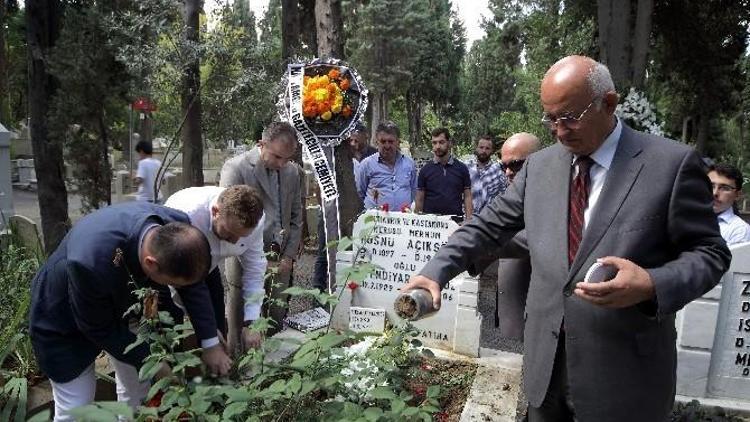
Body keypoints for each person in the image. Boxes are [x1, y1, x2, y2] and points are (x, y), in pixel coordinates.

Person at [402, 55, 730, 421]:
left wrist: (652, 283)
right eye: (550, 118)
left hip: (624, 381)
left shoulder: (671, 165)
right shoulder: (540, 167)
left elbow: (710, 254)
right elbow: (487, 225)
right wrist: (436, 270)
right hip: (545, 372)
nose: (558, 131)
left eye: (569, 117)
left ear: (609, 103)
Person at [28, 202, 225, 421]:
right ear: (151, 264)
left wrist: (209, 341)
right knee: (75, 405)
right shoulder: (89, 261)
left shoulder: (178, 230)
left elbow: (192, 283)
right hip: (65, 321)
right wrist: (153, 360)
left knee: (139, 389)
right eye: (170, 283)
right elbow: (98, 327)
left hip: (128, 309)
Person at [220, 122, 302, 336]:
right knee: (241, 326)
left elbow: (296, 218)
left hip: (281, 259)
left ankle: (273, 365)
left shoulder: (292, 173)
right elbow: (227, 221)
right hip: (244, 255)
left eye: (288, 158)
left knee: (275, 318)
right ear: (261, 144)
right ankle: (238, 366)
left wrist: (289, 256)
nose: (282, 163)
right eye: (277, 157)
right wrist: (258, 261)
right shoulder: (236, 168)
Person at [165, 185, 267, 354]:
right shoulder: (187, 215)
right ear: (215, 212)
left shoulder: (256, 221)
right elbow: (182, 284)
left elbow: (255, 270)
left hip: (208, 265)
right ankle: (174, 372)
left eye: (242, 236)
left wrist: (252, 322)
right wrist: (206, 332)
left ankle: (215, 375)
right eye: (229, 232)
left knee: (217, 322)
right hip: (174, 265)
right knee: (171, 325)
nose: (234, 242)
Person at [313, 123, 377, 292]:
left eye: (357, 141)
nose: (354, 144)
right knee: (324, 253)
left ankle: (343, 288)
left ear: (366, 138)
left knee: (348, 251)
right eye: (351, 141)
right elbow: (319, 189)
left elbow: (360, 190)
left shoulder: (361, 161)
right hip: (330, 214)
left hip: (351, 214)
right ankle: (318, 290)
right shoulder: (331, 159)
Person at [495, 132, 540, 340]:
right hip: (514, 310)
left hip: (540, 318)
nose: (508, 172)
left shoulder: (553, 199)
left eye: (515, 164)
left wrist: (476, 244)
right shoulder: (509, 197)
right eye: (503, 166)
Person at [356, 121, 417, 211]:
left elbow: (413, 190)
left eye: (391, 141)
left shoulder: (409, 164)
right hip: (375, 222)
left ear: (397, 142)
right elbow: (359, 194)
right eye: (383, 141)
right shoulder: (366, 164)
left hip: (403, 222)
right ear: (377, 142)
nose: (387, 146)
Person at [414, 128, 472, 221]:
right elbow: (420, 199)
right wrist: (417, 221)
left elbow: (467, 196)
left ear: (449, 143)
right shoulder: (425, 170)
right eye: (434, 143)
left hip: (455, 222)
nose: (437, 146)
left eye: (441, 142)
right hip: (431, 223)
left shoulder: (462, 169)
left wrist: (469, 221)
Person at [707, 163, 750, 245]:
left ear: (737, 195)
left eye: (724, 188)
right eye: (710, 186)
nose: (714, 193)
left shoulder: (739, 230)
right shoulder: (686, 216)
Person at [468, 135, 507, 215]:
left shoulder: (498, 172)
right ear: (476, 148)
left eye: (487, 148)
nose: (484, 151)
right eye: (481, 147)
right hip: (466, 218)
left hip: (487, 220)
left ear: (492, 150)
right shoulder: (466, 167)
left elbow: (503, 197)